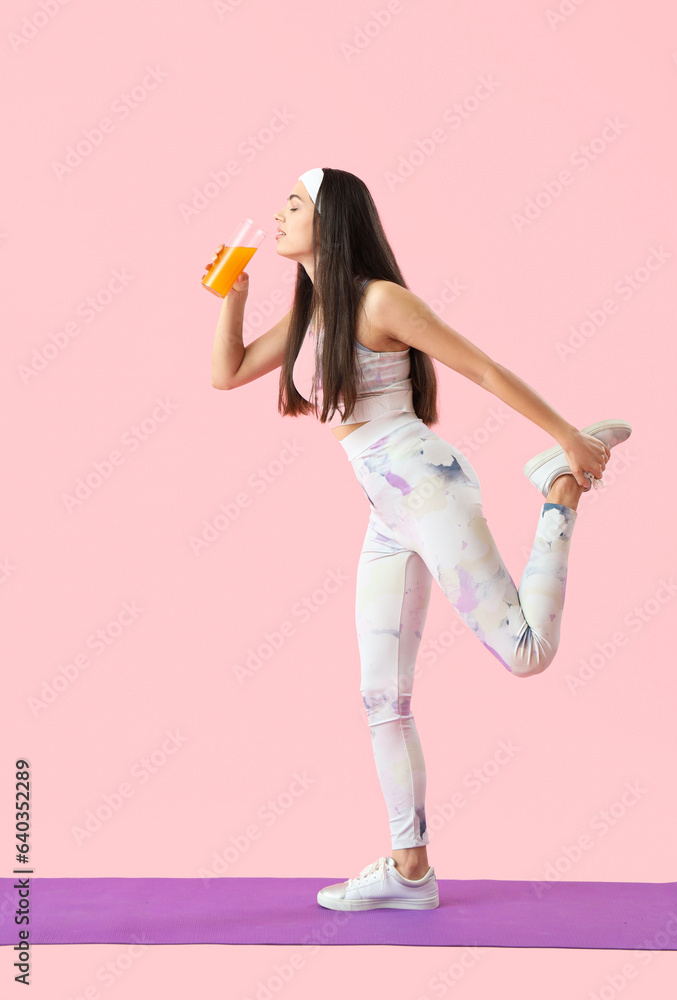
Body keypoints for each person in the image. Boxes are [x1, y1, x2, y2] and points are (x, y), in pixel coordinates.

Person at [206, 167, 632, 912]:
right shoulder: (313, 312)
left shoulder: (378, 300)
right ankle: (410, 872)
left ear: (331, 219)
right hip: (386, 510)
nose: (277, 214)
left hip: (426, 486)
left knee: (526, 655)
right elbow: (229, 372)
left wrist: (568, 438)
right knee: (381, 696)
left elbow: (482, 366)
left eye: (294, 204)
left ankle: (556, 496)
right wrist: (232, 304)